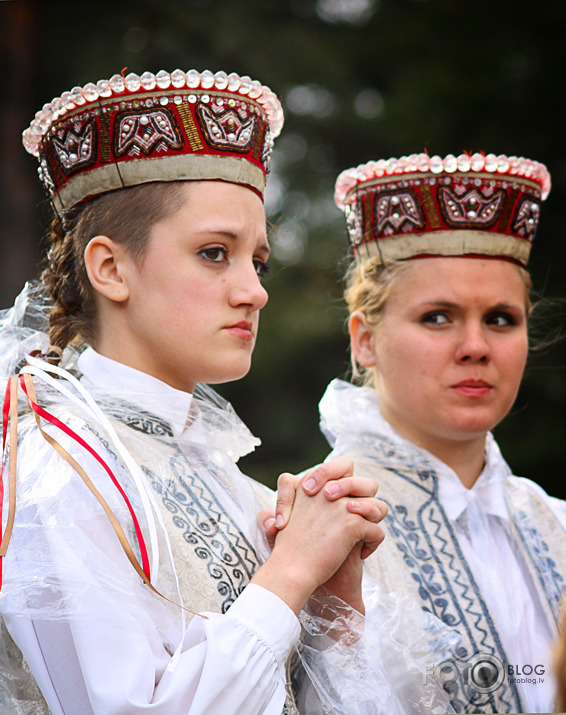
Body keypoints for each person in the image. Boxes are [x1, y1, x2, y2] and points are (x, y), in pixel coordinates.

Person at [0, 68, 389, 715]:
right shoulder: (59, 471)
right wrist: (289, 573)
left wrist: (330, 604)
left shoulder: (228, 479)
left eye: (257, 261)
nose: (254, 289)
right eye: (215, 252)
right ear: (111, 267)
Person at [318, 152, 566, 714]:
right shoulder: (323, 529)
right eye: (438, 316)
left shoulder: (558, 527)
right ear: (365, 339)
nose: (476, 346)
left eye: (501, 318)